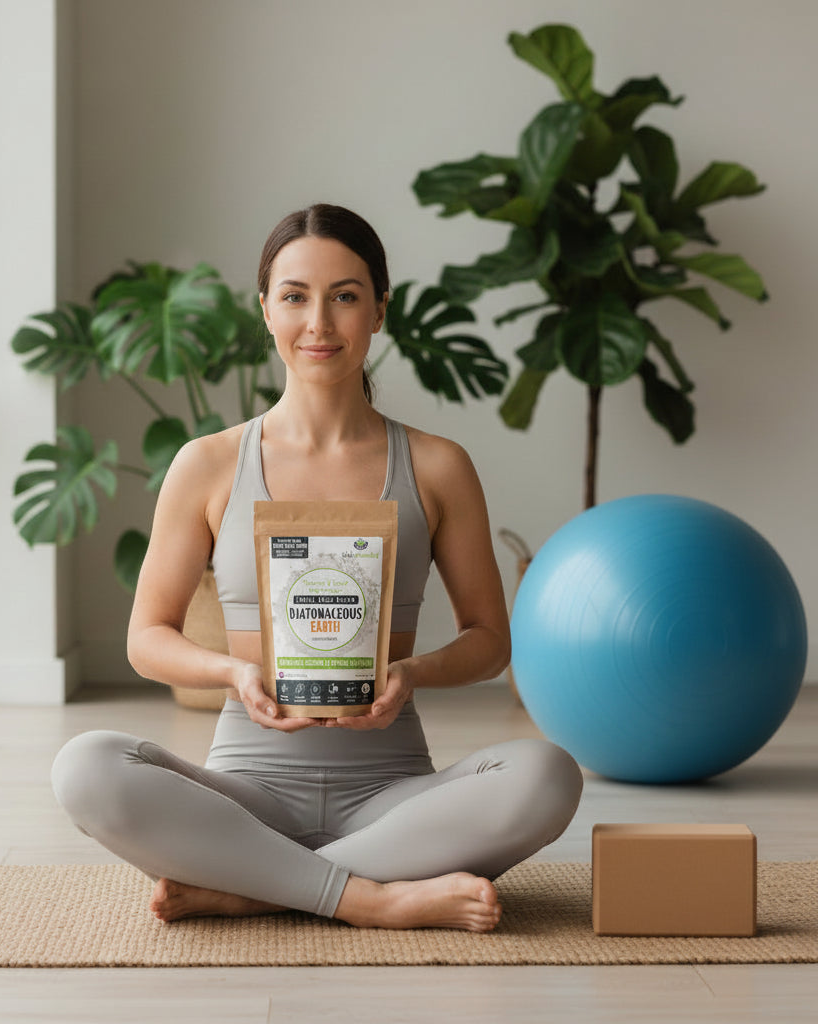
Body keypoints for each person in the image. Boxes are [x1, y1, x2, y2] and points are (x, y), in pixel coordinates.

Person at [51, 204, 583, 932]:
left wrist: (413, 674)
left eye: (346, 296)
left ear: (379, 310)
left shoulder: (437, 466)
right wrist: (233, 674)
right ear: (264, 309)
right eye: (296, 296)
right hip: (246, 794)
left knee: (547, 774)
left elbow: (490, 639)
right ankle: (374, 897)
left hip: (392, 794)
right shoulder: (206, 464)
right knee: (84, 766)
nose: (320, 324)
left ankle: (252, 887)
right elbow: (148, 637)